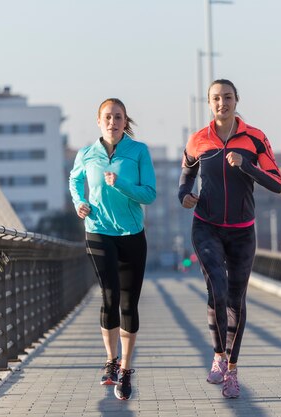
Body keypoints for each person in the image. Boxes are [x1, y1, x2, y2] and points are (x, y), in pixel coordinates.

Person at [178, 79, 281, 398]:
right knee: (218, 291)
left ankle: (232, 371)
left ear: (237, 100)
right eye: (215, 98)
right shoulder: (198, 140)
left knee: (236, 299)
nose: (221, 102)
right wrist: (184, 194)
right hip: (206, 225)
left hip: (241, 230)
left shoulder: (255, 138)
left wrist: (247, 165)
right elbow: (186, 176)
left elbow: (277, 183)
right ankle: (218, 357)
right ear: (208, 103)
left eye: (227, 97)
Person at [69, 98, 156, 400]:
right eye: (107, 117)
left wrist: (121, 185)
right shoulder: (87, 153)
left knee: (129, 304)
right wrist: (80, 202)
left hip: (132, 234)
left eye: (118, 117)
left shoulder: (138, 151)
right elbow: (74, 179)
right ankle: (110, 360)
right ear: (98, 121)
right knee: (109, 296)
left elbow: (150, 194)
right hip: (97, 232)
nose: (112, 122)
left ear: (124, 121)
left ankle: (126, 369)